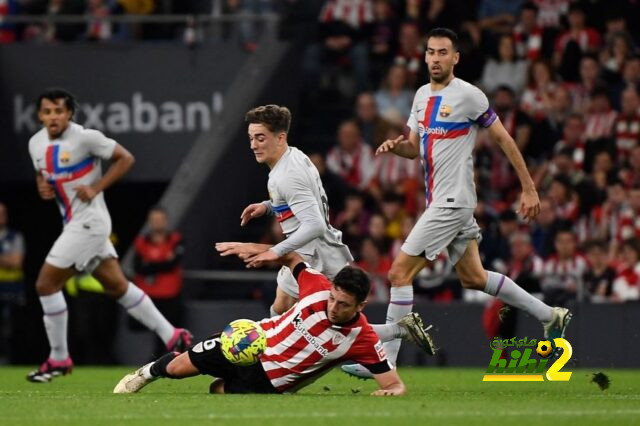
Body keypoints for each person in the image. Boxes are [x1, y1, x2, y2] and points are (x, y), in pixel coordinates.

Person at [342, 28, 571, 379]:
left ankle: (383, 364)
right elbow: (412, 148)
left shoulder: (469, 96)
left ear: (455, 57)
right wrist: (395, 146)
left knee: (398, 273)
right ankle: (548, 315)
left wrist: (529, 188)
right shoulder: (420, 96)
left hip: (452, 202)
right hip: (445, 201)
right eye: (430, 52)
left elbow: (505, 140)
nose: (435, 58)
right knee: (474, 277)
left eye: (442, 52)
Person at [26, 88, 192, 382]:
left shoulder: (85, 137)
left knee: (45, 284)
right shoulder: (35, 144)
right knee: (118, 287)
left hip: (89, 223)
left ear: (69, 114)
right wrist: (43, 186)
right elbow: (44, 174)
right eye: (48, 112)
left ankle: (59, 358)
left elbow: (125, 158)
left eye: (59, 111)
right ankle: (173, 335)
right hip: (75, 223)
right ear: (40, 115)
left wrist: (96, 187)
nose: (53, 117)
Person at [114, 250, 432, 396]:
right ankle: (143, 375)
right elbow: (294, 258)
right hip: (251, 338)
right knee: (178, 368)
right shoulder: (317, 286)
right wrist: (265, 253)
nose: (333, 307)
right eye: (333, 298)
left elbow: (393, 383)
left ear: (361, 305)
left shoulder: (362, 338)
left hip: (268, 381)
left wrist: (394, 391)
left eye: (343, 305)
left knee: (218, 390)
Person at [227, 105, 353, 316]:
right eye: (251, 138)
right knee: (279, 312)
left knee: (328, 329)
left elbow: (315, 225)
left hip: (315, 257)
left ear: (280, 138)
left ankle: (397, 330)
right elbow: (302, 199)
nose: (253, 145)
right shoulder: (293, 156)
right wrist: (267, 206)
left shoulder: (287, 175)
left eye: (260, 138)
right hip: (306, 252)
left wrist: (275, 251)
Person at [133, 205, 186, 356]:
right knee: (155, 329)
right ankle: (157, 360)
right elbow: (138, 268)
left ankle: (176, 360)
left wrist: (150, 264)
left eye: (159, 220)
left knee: (173, 328)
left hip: (171, 293)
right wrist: (163, 262)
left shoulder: (176, 239)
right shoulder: (141, 241)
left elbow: (172, 264)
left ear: (166, 221)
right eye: (153, 220)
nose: (156, 223)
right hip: (149, 293)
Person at [0, 202, 25, 362]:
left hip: (10, 290)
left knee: (8, 330)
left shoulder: (14, 236)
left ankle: (7, 362)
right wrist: (5, 259)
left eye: (3, 213)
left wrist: (9, 260)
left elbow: (16, 262)